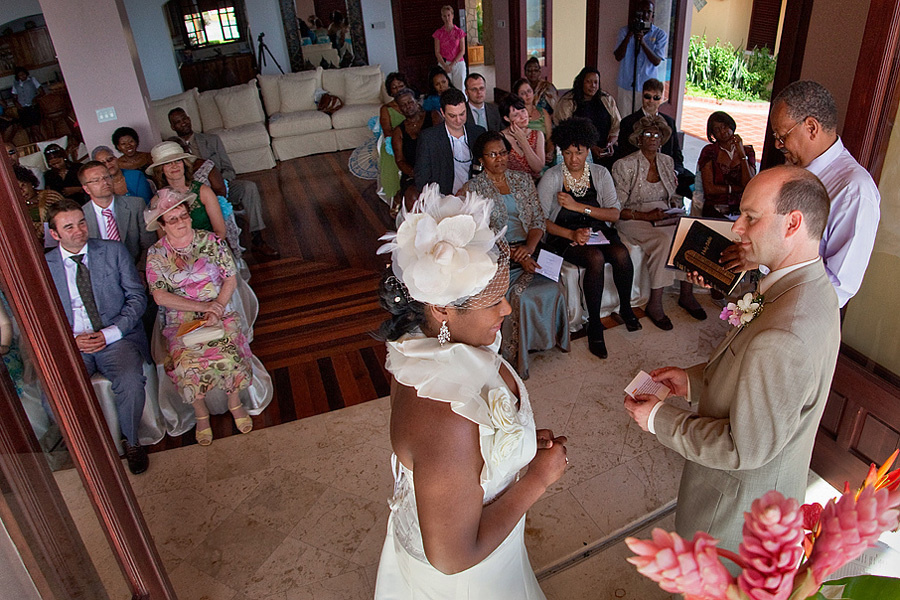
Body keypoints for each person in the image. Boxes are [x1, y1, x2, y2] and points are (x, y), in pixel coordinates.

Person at [624, 166, 841, 560]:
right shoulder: (808, 287)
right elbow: (758, 382)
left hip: (735, 513)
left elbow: (744, 449)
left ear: (793, 223)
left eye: (751, 217)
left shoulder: (785, 336)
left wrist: (658, 418)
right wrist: (692, 382)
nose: (738, 228)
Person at [373, 185, 567, 598]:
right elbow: (452, 557)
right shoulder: (445, 416)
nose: (507, 309)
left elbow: (471, 452)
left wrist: (516, 445)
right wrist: (536, 479)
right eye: (493, 301)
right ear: (442, 309)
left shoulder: (430, 348)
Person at [723, 80, 881, 308]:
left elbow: (837, 287)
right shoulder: (792, 172)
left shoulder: (853, 190)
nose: (778, 145)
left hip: (800, 312)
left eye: (782, 136)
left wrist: (764, 264)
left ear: (811, 127)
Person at [45, 199, 150, 474]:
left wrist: (111, 332)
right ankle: (86, 447)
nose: (79, 230)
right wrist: (70, 339)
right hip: (73, 343)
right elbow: (42, 315)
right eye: (68, 227)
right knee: (53, 389)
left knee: (129, 380)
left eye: (81, 222)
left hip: (115, 337)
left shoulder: (112, 251)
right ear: (54, 233)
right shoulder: (45, 265)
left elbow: (137, 297)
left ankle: (132, 441)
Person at [145, 191, 257, 445]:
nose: (181, 222)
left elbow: (230, 277)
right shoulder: (156, 254)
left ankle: (234, 402)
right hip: (180, 319)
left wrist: (217, 305)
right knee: (185, 362)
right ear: (162, 225)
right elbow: (160, 296)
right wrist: (199, 305)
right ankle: (201, 413)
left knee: (229, 352)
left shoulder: (211, 241)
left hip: (219, 311)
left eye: (183, 215)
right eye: (172, 219)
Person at [460, 131, 568, 377]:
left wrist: (529, 249)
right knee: (520, 296)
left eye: (504, 152)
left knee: (555, 285)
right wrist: (515, 256)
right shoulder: (472, 189)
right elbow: (475, 236)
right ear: (481, 159)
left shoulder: (523, 180)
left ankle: (548, 340)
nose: (500, 159)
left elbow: (538, 220)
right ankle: (517, 352)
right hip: (495, 258)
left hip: (530, 247)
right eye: (493, 154)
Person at [538, 118, 640, 359]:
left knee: (620, 253)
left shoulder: (600, 173)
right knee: (594, 258)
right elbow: (540, 222)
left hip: (596, 228)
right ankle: (594, 323)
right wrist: (571, 233)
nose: (573, 159)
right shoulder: (552, 177)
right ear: (561, 151)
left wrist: (578, 206)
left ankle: (625, 307)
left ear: (588, 150)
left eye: (579, 152)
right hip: (563, 233)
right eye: (568, 152)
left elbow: (613, 214)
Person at [613, 115, 707, 328]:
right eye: (647, 134)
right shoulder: (624, 165)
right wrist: (647, 216)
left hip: (664, 214)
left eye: (657, 134)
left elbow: (671, 196)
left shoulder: (667, 161)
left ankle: (686, 292)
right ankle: (655, 302)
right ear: (639, 138)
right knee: (664, 240)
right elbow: (617, 209)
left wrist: (676, 212)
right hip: (633, 216)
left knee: (690, 230)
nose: (653, 138)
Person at [167, 108, 280, 258]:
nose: (183, 123)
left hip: (220, 186)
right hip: (191, 193)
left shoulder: (212, 139)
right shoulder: (172, 148)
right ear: (172, 127)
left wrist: (219, 184)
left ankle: (258, 239)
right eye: (178, 122)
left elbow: (228, 169)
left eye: (184, 119)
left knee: (249, 187)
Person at [146, 141, 236, 255]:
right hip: (180, 258)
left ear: (184, 163)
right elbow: (164, 239)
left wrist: (203, 257)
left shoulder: (203, 191)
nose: (174, 165)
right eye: (168, 163)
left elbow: (220, 231)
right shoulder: (157, 200)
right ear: (161, 169)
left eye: (178, 160)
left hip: (213, 252)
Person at [614, 78, 693, 198]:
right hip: (639, 172)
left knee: (695, 184)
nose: (651, 101)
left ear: (661, 99)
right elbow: (623, 154)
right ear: (642, 96)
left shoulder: (669, 122)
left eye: (656, 97)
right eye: (647, 96)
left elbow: (677, 155)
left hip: (668, 170)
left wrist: (674, 172)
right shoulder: (628, 122)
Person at [78, 161, 155, 266]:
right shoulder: (81, 217)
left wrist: (141, 270)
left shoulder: (136, 205)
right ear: (86, 188)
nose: (105, 182)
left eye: (107, 177)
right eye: (96, 180)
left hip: (136, 268)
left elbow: (149, 245)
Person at [414, 88, 485, 195]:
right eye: (452, 116)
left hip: (475, 195)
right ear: (442, 112)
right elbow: (422, 176)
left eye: (462, 114)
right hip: (442, 198)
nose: (458, 120)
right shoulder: (429, 138)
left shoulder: (478, 132)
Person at [554, 67, 621, 164]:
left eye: (595, 82)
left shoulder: (606, 99)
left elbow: (616, 124)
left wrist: (610, 143)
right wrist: (591, 147)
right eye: (588, 82)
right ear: (581, 82)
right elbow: (566, 129)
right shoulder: (568, 102)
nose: (593, 86)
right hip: (578, 147)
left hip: (605, 147)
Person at [697, 111, 756, 218]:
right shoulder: (709, 151)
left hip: (741, 208)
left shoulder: (747, 151)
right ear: (712, 134)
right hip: (715, 208)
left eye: (725, 127)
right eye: (717, 129)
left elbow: (748, 184)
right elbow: (709, 189)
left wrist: (742, 154)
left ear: (731, 126)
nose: (723, 132)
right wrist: (736, 189)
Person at [613, 0, 667, 115]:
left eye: (648, 12)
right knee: (624, 119)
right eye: (641, 12)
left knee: (645, 120)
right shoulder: (624, 31)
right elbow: (618, 56)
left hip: (647, 88)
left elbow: (656, 61)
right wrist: (630, 34)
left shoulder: (659, 35)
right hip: (626, 84)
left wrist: (642, 42)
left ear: (653, 16)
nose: (645, 15)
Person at [392, 88, 434, 211]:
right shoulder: (398, 131)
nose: (408, 107)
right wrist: (416, 174)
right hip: (413, 173)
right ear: (399, 109)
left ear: (417, 102)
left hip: (435, 168)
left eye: (410, 102)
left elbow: (443, 142)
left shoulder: (433, 116)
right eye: (403, 105)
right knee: (413, 196)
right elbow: (400, 160)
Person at [379, 73, 410, 201]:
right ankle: (396, 195)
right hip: (393, 142)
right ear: (390, 91)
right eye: (394, 87)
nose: (398, 90)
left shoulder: (412, 103)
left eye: (401, 86)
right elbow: (387, 131)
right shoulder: (386, 109)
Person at [13, 164, 62, 245]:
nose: (22, 191)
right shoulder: (17, 209)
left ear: (31, 182)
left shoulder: (51, 196)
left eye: (23, 185)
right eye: (17, 189)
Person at [498, 94, 545, 177]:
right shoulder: (500, 138)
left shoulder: (537, 134)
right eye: (516, 115)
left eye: (523, 111)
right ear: (507, 118)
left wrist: (523, 140)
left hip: (534, 184)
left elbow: (538, 168)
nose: (522, 116)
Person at [512, 78, 553, 155]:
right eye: (523, 93)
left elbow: (550, 137)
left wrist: (549, 152)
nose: (527, 95)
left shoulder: (543, 112)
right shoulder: (516, 115)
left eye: (529, 91)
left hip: (544, 153)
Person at [433, 5, 467, 90]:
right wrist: (445, 65)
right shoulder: (438, 33)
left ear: (452, 15)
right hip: (444, 63)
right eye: (444, 16)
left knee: (460, 88)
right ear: (442, 17)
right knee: (445, 89)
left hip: (458, 63)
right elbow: (437, 52)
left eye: (448, 15)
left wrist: (452, 64)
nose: (447, 18)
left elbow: (462, 50)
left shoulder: (459, 32)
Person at [11, 67, 44, 142]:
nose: (22, 76)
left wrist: (35, 99)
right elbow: (14, 96)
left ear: (26, 74)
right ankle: (34, 148)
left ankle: (42, 145)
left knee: (36, 130)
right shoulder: (16, 83)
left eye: (23, 74)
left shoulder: (32, 80)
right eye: (20, 75)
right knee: (28, 132)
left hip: (33, 107)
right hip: (22, 109)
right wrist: (16, 103)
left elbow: (42, 92)